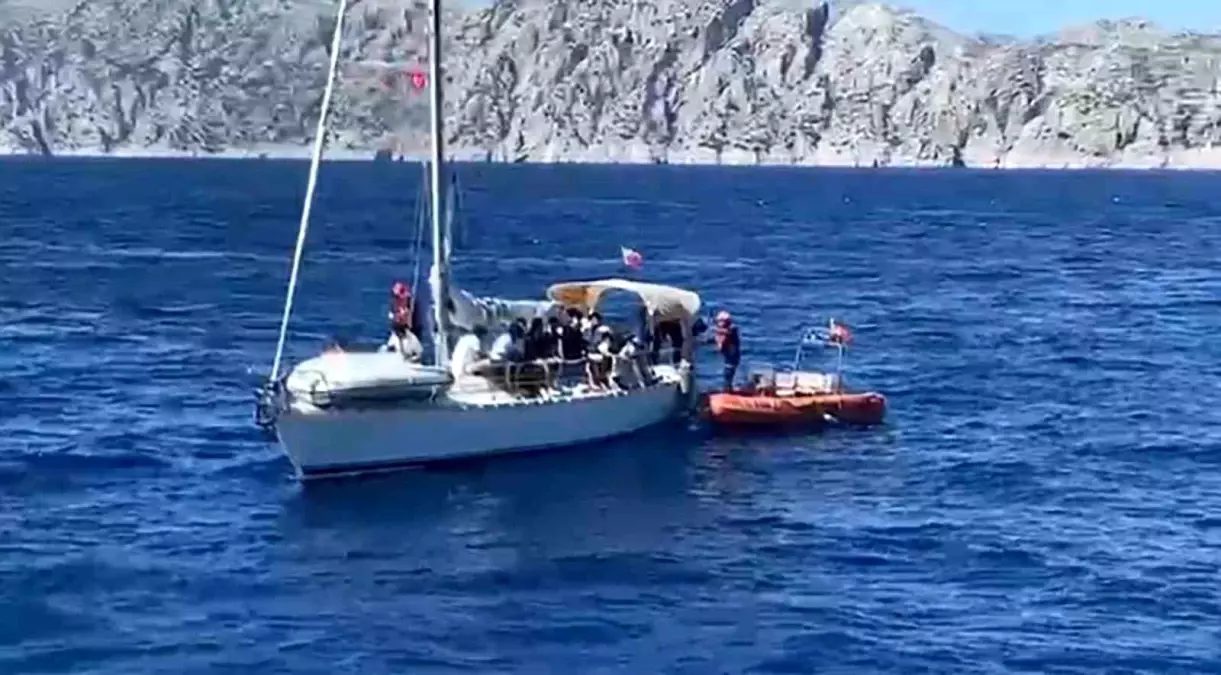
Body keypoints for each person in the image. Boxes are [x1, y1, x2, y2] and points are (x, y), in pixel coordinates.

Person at [711, 310, 741, 391]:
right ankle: (728, 389)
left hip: (732, 357)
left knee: (728, 374)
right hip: (729, 356)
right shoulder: (726, 330)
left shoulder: (732, 329)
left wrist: (714, 329)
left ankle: (727, 390)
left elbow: (726, 333)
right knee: (727, 374)